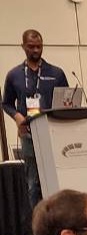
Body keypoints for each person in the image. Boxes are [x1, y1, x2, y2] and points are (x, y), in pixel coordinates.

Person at [2, 30, 69, 222]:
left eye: (39, 46)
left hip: (53, 132)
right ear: (22, 46)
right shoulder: (14, 75)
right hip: (29, 134)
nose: (36, 50)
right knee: (34, 183)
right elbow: (6, 102)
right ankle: (38, 230)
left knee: (56, 179)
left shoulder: (55, 73)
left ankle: (60, 223)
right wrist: (17, 117)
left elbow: (66, 100)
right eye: (31, 47)